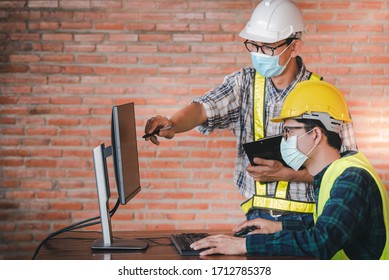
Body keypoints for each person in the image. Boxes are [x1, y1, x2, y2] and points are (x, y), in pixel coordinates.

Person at [144, 0, 357, 224]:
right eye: (253, 46)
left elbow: (346, 169)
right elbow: (203, 108)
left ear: (294, 47)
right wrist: (173, 124)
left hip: (309, 220)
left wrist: (291, 174)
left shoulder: (324, 95)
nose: (259, 54)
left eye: (267, 47)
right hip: (256, 215)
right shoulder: (244, 84)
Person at [190, 80, 389, 260]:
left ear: (316, 134)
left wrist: (243, 244)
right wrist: (278, 226)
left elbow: (320, 243)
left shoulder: (352, 178)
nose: (284, 139)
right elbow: (330, 223)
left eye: (289, 131)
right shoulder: (337, 172)